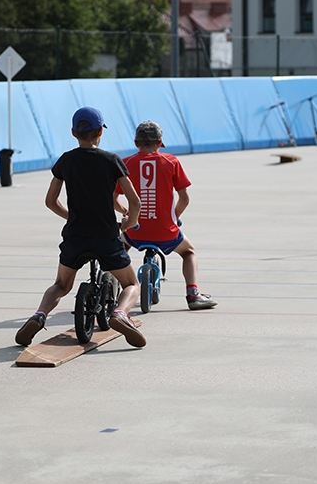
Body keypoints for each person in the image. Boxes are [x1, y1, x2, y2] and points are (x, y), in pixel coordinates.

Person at [15, 107, 147, 348]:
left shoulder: (66, 160)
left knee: (60, 286)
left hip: (75, 236)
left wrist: (72, 217)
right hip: (106, 236)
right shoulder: (112, 161)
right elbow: (135, 202)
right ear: (100, 132)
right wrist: (130, 222)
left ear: (74, 132)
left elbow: (50, 201)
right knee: (130, 284)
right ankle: (120, 313)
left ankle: (39, 314)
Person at [114, 121, 217, 310]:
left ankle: (113, 289)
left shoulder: (125, 163)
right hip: (166, 231)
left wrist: (127, 213)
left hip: (135, 230)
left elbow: (113, 198)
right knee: (188, 252)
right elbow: (184, 198)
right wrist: (173, 217)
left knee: (119, 248)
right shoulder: (171, 161)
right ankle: (193, 293)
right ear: (160, 142)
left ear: (136, 143)